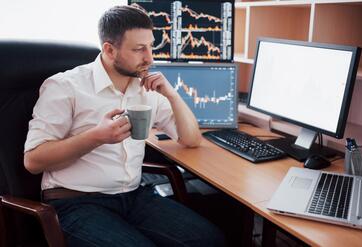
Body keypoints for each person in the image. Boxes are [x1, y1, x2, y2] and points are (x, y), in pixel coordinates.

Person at [24, 5, 225, 247]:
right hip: (76, 202)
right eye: (139, 49)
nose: (150, 58)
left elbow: (191, 139)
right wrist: (96, 137)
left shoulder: (146, 87)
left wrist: (172, 95)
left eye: (151, 46)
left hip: (134, 196)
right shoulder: (65, 86)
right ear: (109, 49)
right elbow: (33, 161)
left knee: (209, 239)